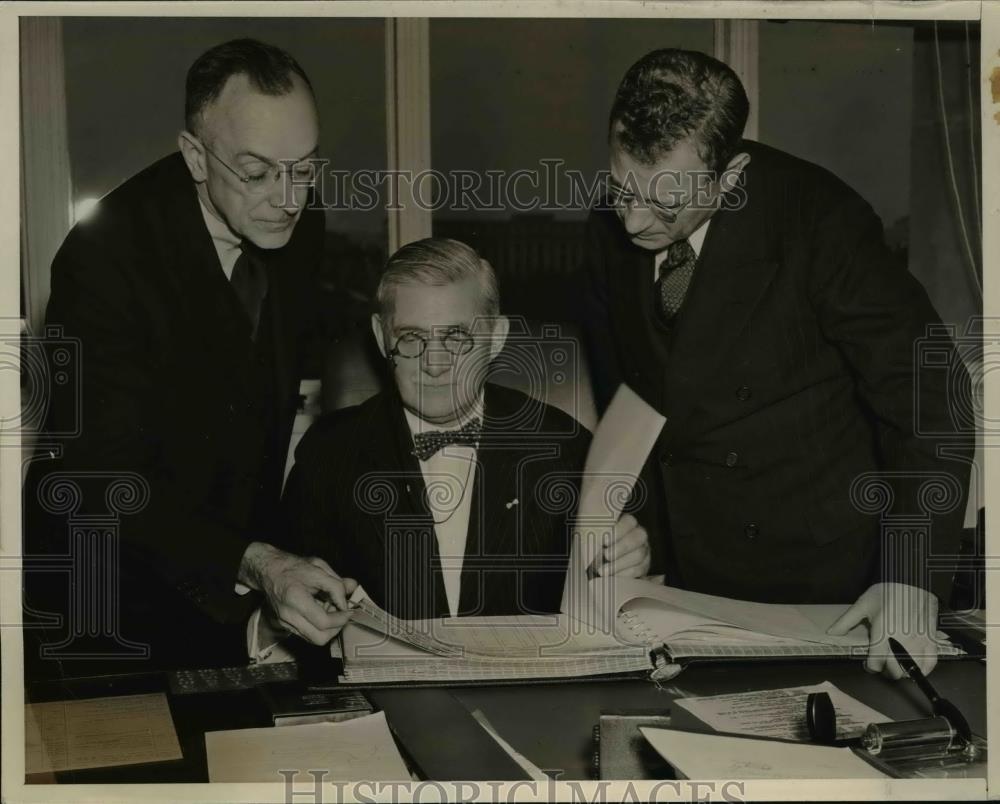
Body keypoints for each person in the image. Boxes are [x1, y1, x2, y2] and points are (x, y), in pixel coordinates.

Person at [578, 48, 973, 678]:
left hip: (828, 585)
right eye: (623, 189)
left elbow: (931, 396)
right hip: (685, 586)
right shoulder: (606, 229)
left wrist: (912, 579)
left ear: (731, 177)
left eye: (666, 205)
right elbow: (637, 400)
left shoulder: (820, 222)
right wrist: (640, 525)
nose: (632, 221)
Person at [23, 39, 352, 677]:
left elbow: (263, 417)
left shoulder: (295, 224)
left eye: (305, 168)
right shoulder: (104, 259)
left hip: (230, 592)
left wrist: (286, 567)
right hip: (106, 605)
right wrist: (258, 562)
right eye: (257, 172)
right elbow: (105, 478)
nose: (289, 197)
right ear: (195, 156)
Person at [273, 237, 650, 639]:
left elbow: (598, 605)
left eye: (456, 337)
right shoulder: (329, 452)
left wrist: (622, 566)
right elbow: (294, 607)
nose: (435, 364)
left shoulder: (566, 447)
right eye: (413, 338)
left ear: (496, 336)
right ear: (384, 339)